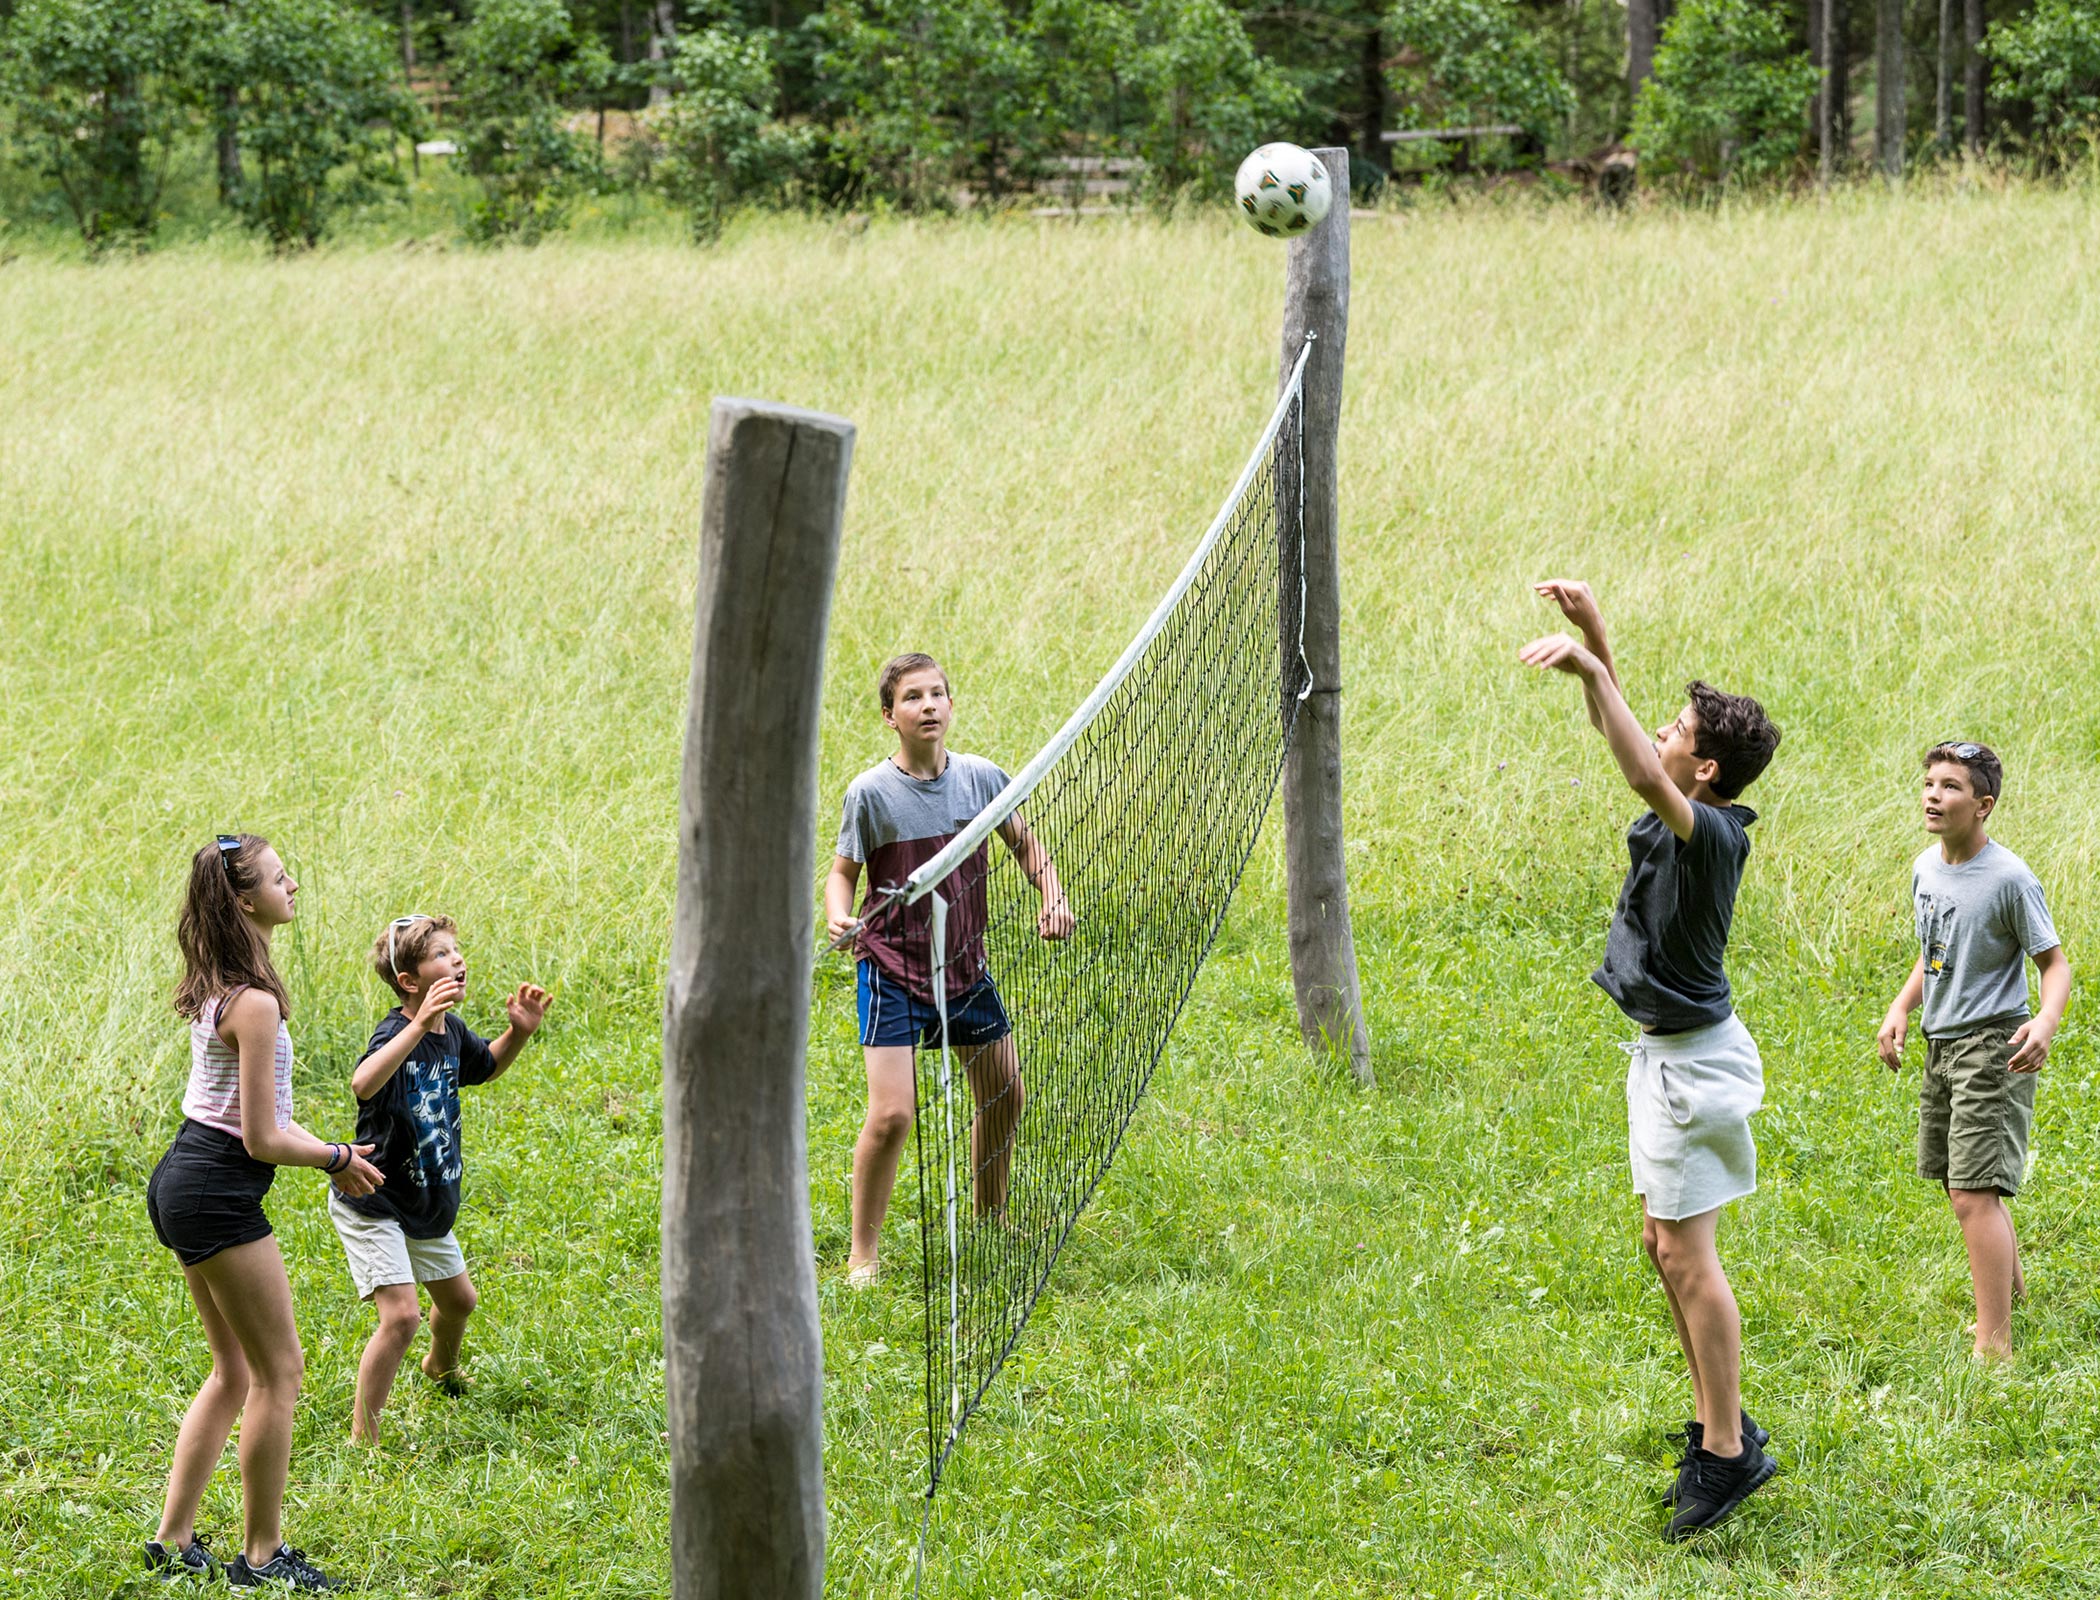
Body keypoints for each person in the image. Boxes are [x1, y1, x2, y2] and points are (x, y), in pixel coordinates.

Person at [1522, 581, 1782, 1541]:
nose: (1658, 733)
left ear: (1704, 770)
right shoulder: (1694, 801)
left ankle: (1726, 1453)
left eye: (1677, 729)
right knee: (1661, 1245)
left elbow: (1639, 769)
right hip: (1668, 1057)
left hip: (1692, 1067)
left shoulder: (1707, 834)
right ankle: (1724, 1423)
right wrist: (1595, 638)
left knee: (1687, 1254)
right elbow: (1626, 740)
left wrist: (1593, 665)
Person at [145, 833, 382, 1591]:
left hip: (186, 1179)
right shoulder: (251, 1001)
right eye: (282, 878)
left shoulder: (221, 983)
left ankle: (173, 1540)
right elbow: (261, 1136)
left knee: (233, 1370)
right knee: (280, 1373)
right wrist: (337, 1158)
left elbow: (265, 1119)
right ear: (246, 901)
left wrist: (332, 1151)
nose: (295, 886)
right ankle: (262, 1556)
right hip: (215, 1188)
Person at [824, 652, 1074, 1287]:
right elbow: (842, 873)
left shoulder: (983, 779)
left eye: (937, 694)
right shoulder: (870, 794)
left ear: (951, 706)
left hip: (963, 970)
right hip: (892, 970)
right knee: (892, 1116)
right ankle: (862, 1254)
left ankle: (992, 1217)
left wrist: (1053, 894)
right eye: (912, 697)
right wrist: (837, 916)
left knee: (1006, 1094)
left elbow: (1025, 845)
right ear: (890, 717)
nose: (928, 705)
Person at [1875, 741, 2068, 1361]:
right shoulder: (1925, 868)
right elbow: (1935, 951)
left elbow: (2054, 962)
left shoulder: (2010, 878)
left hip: (1994, 1042)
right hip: (1943, 1039)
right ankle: (2009, 1302)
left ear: (1983, 805)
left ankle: (1995, 1344)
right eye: (1929, 782)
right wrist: (1902, 1007)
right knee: (1964, 1184)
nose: (1934, 794)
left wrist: (2046, 1019)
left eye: (1951, 786)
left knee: (1972, 1192)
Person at [331, 913, 549, 1443]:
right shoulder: (394, 1033)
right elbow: (363, 1084)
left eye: (456, 951)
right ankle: (366, 1438)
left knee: (459, 1302)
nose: (457, 960)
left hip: (426, 1196)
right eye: (441, 955)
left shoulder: (451, 1031)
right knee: (402, 1316)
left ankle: (441, 1369)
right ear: (410, 982)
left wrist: (517, 1034)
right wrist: (416, 1025)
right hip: (375, 1197)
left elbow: (485, 1066)